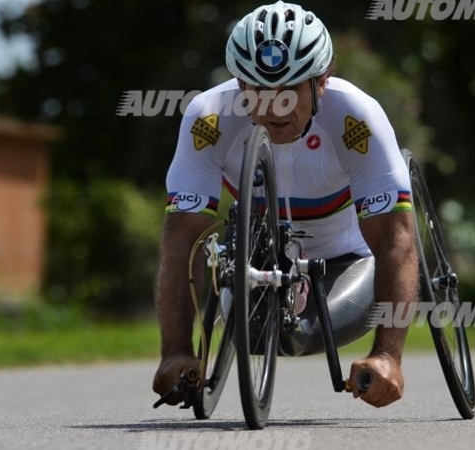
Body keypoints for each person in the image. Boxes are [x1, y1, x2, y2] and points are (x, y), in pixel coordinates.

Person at [152, 1, 419, 409]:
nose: (274, 106)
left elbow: (395, 241)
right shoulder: (208, 117)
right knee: (258, 333)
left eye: (290, 90)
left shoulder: (357, 116)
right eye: (257, 89)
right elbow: (180, 242)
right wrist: (175, 350)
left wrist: (388, 356)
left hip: (346, 257)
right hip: (259, 256)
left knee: (305, 336)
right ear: (239, 84)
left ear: (322, 82)